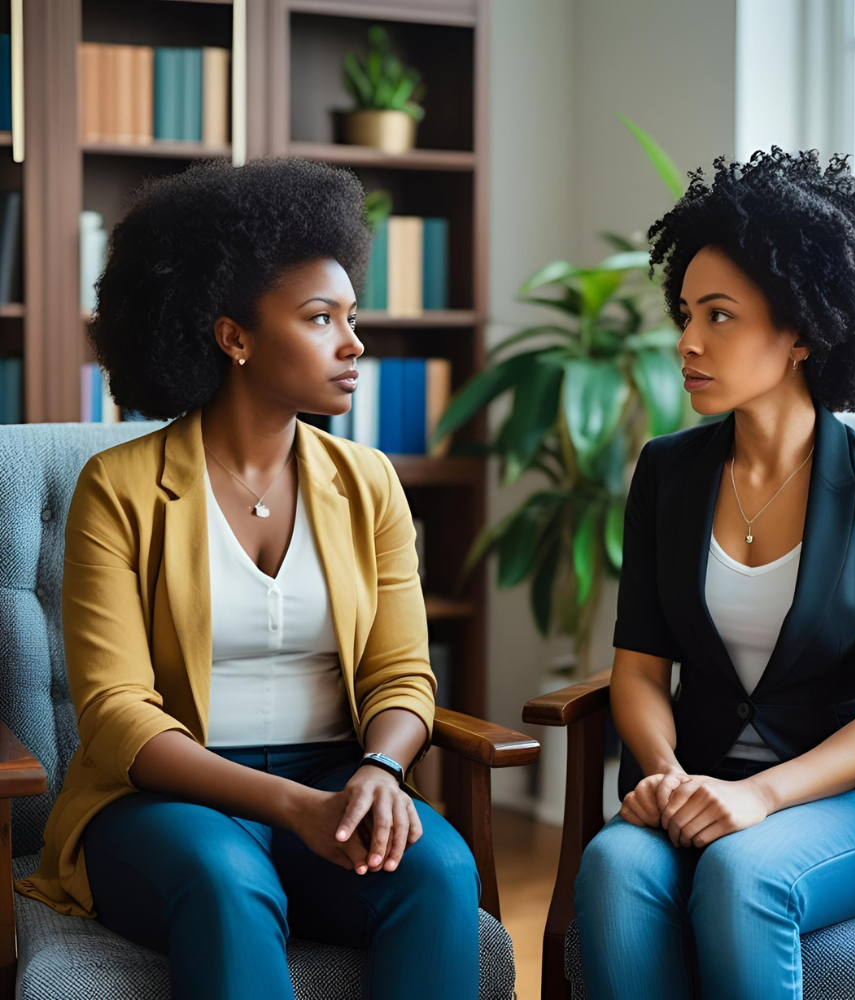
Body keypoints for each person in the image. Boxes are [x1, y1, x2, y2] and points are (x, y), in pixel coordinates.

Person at [14, 157, 482, 1000]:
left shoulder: (368, 482)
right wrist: (290, 807)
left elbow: (402, 675)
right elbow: (118, 719)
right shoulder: (118, 490)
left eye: (352, 315)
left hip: (338, 775)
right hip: (162, 798)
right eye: (319, 318)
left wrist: (378, 768)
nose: (354, 343)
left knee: (438, 869)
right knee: (228, 882)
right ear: (233, 335)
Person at [573, 146, 855, 999]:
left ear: (803, 332)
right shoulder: (666, 473)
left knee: (745, 874)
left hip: (853, 801)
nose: (686, 341)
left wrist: (762, 798)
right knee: (613, 868)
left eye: (719, 316)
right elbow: (637, 670)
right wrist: (666, 776)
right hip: (693, 776)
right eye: (685, 313)